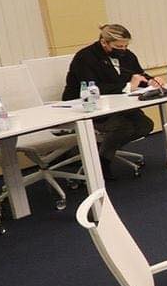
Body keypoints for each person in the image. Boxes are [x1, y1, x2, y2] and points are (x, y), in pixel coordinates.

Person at [61, 24, 159, 177]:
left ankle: (102, 149)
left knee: (145, 125)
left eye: (126, 46)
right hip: (86, 106)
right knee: (124, 127)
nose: (123, 50)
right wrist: (128, 86)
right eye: (119, 46)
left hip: (119, 104)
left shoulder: (127, 55)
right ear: (104, 42)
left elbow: (138, 75)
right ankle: (103, 161)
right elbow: (92, 87)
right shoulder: (85, 57)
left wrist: (151, 81)